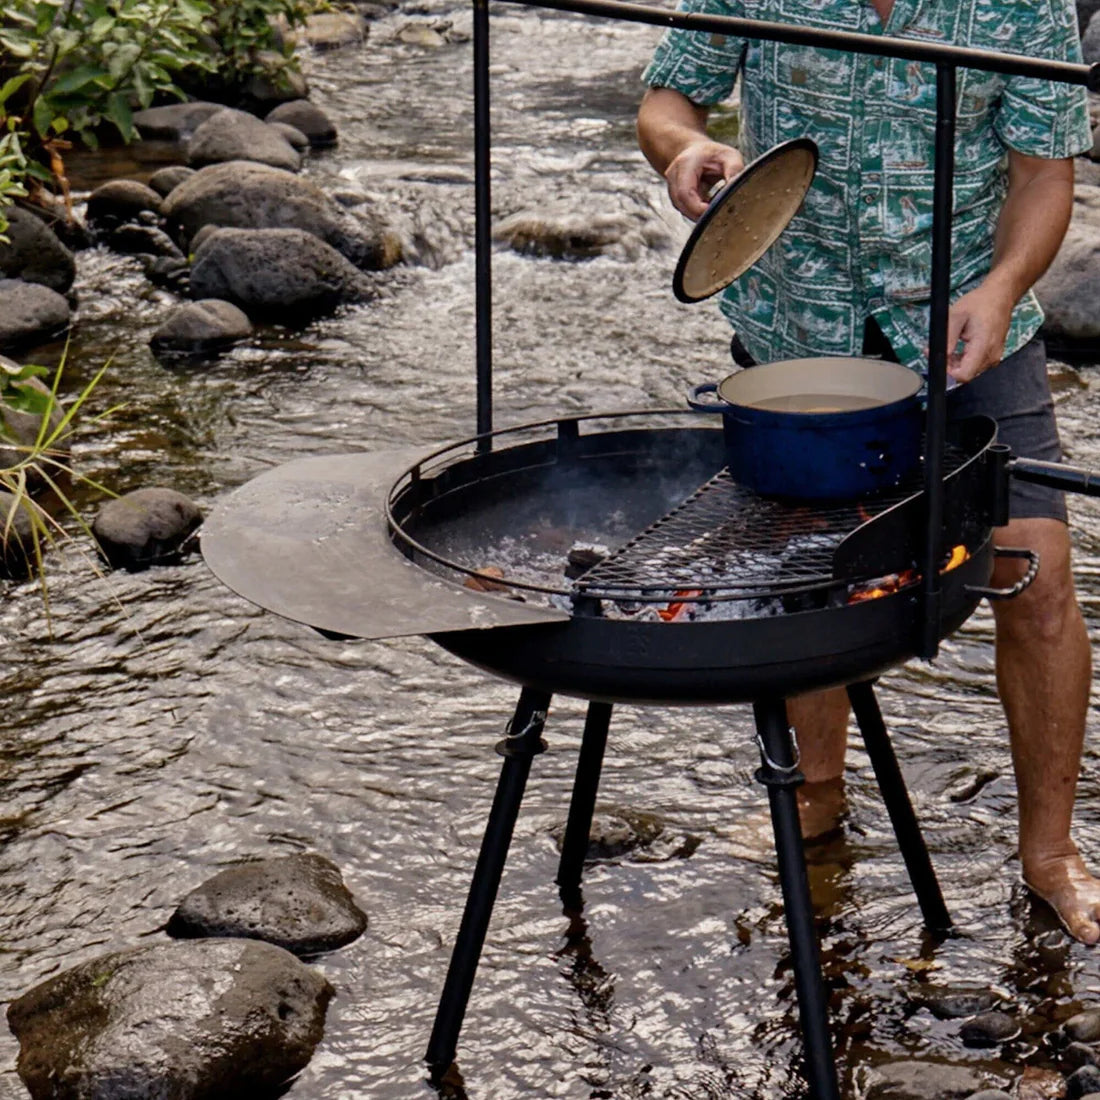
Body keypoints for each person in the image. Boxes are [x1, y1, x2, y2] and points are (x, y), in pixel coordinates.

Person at [637, 0, 1100, 942]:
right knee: (810, 571)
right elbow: (666, 98)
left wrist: (1003, 284)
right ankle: (814, 797)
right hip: (794, 324)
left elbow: (1045, 177)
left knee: (1038, 578)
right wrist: (684, 148)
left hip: (969, 322)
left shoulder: (1021, 3)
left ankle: (1050, 853)